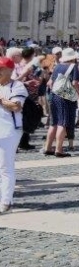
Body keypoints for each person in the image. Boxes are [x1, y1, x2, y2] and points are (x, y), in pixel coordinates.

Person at [0, 56, 29, 213]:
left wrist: (1, 100)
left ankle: (6, 201)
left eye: (1, 69)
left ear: (9, 70)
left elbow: (16, 106)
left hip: (9, 131)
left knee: (5, 166)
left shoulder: (17, 86)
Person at [43, 47, 79, 157]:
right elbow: (75, 83)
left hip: (54, 96)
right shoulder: (73, 66)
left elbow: (50, 82)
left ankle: (48, 147)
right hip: (65, 98)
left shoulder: (57, 66)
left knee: (54, 122)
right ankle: (59, 149)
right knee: (62, 123)